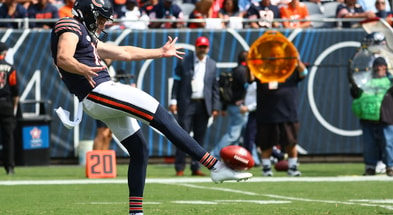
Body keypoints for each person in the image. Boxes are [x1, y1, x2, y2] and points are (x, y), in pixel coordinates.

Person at [50, 1, 252, 214]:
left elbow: (124, 52)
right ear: (88, 14)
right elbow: (64, 56)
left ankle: (136, 212)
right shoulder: (69, 25)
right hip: (98, 91)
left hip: (97, 96)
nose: (102, 24)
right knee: (162, 116)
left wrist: (159, 52)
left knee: (140, 150)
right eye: (100, 19)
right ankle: (215, 167)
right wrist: (83, 69)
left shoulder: (85, 34)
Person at [169, 36, 221, 177]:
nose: (202, 49)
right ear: (196, 47)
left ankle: (196, 166)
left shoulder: (212, 64)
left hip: (203, 104)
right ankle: (180, 167)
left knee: (200, 138)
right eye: (200, 46)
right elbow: (177, 82)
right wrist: (173, 100)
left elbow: (215, 88)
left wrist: (216, 106)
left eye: (205, 47)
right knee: (182, 136)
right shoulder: (184, 61)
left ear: (208, 48)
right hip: (187, 103)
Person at [255, 52, 308, 177]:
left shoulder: (290, 70)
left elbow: (304, 73)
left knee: (290, 142)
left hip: (287, 112)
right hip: (267, 113)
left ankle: (293, 167)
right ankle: (266, 168)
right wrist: (251, 63)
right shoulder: (262, 71)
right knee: (266, 143)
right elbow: (250, 78)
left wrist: (296, 60)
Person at [349, 57, 393, 176]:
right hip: (367, 117)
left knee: (388, 143)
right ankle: (370, 167)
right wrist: (351, 76)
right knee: (369, 145)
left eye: (381, 65)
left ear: (386, 67)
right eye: (377, 65)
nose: (379, 68)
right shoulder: (365, 81)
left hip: (385, 116)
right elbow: (355, 92)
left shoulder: (390, 81)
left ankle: (391, 166)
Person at [210, 51, 248, 159]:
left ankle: (234, 158)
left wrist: (224, 107)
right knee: (233, 135)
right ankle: (214, 155)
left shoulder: (236, 69)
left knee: (237, 136)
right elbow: (248, 88)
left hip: (233, 106)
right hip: (239, 107)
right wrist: (244, 100)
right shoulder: (242, 71)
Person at [0, 42, 19, 175]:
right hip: (5, 103)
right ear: (5, 53)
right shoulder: (10, 68)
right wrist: (14, 106)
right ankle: (9, 167)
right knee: (8, 136)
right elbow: (15, 90)